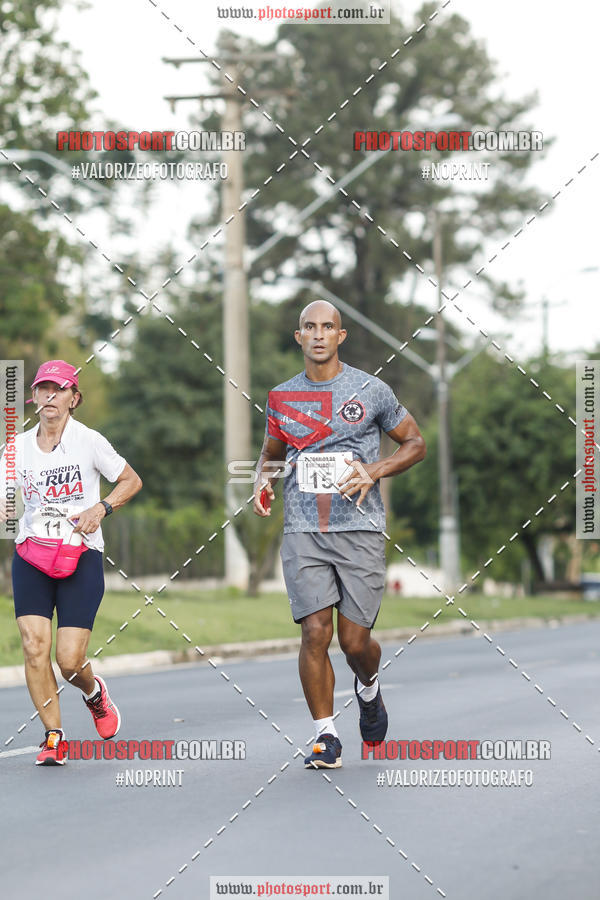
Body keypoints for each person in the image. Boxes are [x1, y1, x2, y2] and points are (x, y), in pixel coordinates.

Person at [253, 302, 426, 769]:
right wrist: (261, 480)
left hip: (360, 530)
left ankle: (368, 689)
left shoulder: (371, 390)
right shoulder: (281, 397)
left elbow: (415, 443)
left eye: (327, 327)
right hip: (304, 530)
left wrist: (374, 469)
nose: (318, 335)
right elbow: (271, 452)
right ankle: (325, 737)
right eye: (309, 327)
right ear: (298, 336)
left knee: (354, 643)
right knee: (314, 632)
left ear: (340, 336)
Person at [0, 360, 142, 766]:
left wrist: (102, 507)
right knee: (33, 646)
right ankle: (53, 736)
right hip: (32, 554)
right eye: (43, 388)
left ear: (73, 398)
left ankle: (94, 692)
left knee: (67, 661)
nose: (49, 395)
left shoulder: (89, 441)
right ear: (34, 397)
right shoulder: (16, 448)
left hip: (80, 555)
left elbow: (131, 480)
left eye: (59, 389)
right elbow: (6, 506)